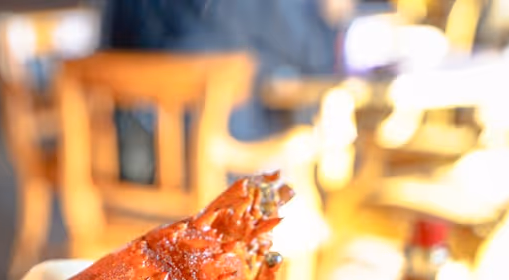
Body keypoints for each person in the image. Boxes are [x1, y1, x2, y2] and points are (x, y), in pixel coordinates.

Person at [102, 0, 353, 182]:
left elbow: (109, 48)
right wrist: (330, 21)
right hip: (226, 185)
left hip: (123, 181)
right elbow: (312, 59)